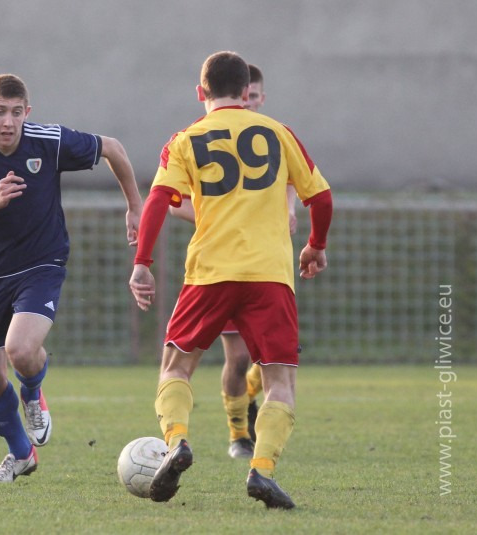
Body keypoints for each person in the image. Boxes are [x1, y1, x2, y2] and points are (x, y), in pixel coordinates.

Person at [129, 51, 332, 508]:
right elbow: (321, 197)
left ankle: (177, 439)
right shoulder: (279, 133)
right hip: (270, 276)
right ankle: (262, 470)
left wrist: (142, 261)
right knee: (280, 382)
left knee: (175, 367)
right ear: (246, 92)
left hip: (210, 274)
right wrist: (316, 245)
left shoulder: (185, 139)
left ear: (200, 92)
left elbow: (159, 200)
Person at [0, 74, 142, 483]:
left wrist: (135, 207)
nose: (8, 122)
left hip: (41, 263)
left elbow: (113, 148)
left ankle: (32, 394)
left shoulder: (48, 141)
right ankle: (21, 455)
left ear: (27, 113)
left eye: (16, 113)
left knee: (21, 349)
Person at [169, 64, 299, 460]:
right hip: (222, 264)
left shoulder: (272, 141)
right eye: (249, 96)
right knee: (238, 358)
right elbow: (175, 202)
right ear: (240, 93)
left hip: (266, 263)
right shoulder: (206, 138)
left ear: (259, 98)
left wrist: (288, 212)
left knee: (273, 361)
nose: (251, 102)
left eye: (256, 97)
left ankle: (252, 408)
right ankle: (239, 434)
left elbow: (294, 183)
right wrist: (226, 219)